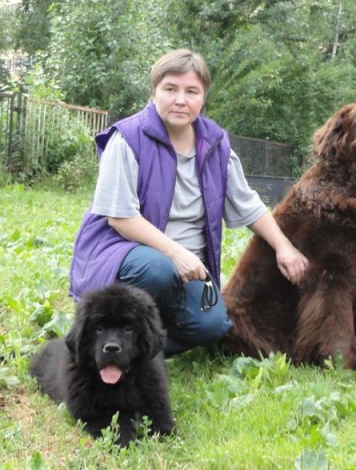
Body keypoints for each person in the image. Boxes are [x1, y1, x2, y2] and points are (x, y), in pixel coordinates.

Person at [70, 49, 309, 356]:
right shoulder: (127, 138)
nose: (180, 100)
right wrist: (175, 253)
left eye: (191, 91)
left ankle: (132, 349)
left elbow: (246, 203)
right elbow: (120, 218)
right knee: (157, 270)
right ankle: (105, 335)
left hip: (190, 268)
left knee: (212, 327)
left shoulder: (216, 143)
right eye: (170, 89)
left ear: (203, 97)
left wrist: (283, 246)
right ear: (154, 91)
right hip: (123, 256)